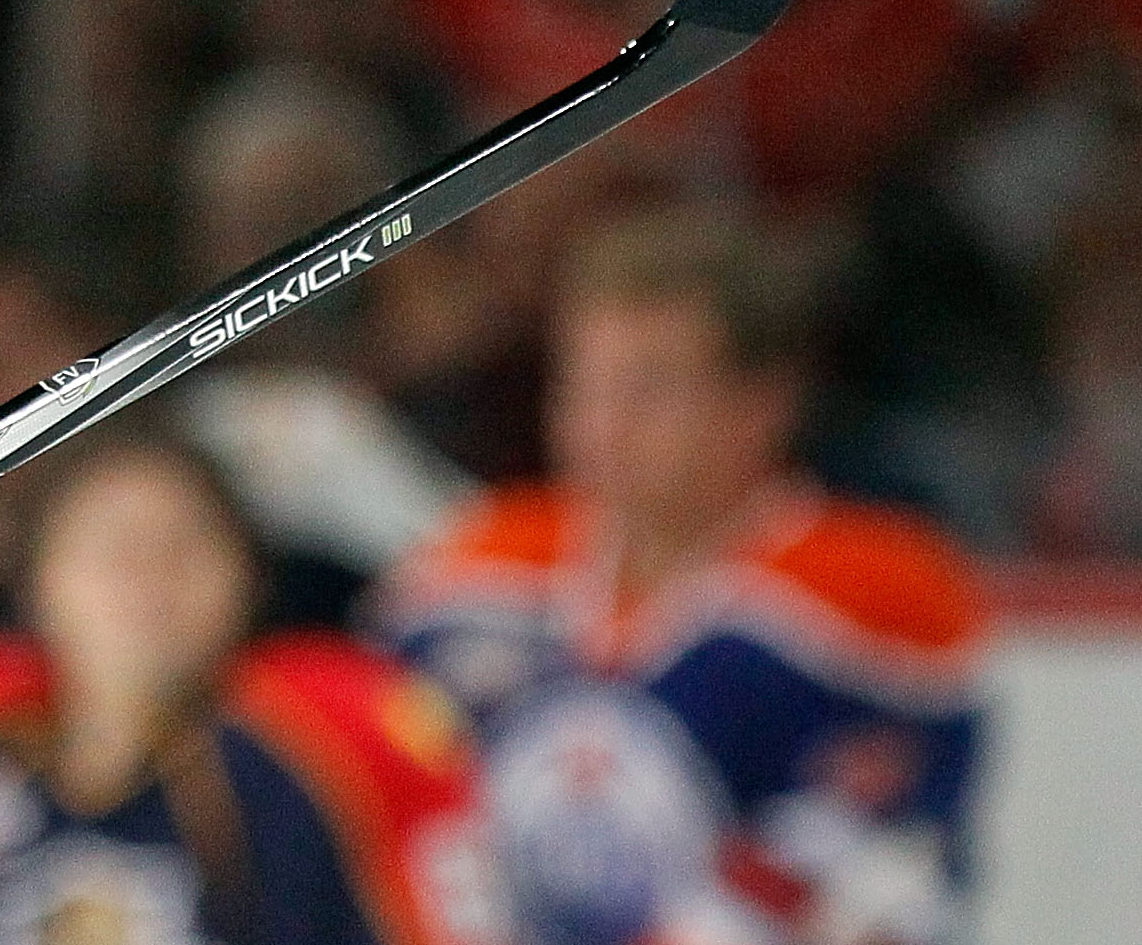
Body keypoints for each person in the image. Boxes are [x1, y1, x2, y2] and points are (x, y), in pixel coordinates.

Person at [377, 208, 986, 945]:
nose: (603, 425)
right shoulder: (475, 563)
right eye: (582, 385)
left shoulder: (876, 591)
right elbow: (386, 806)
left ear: (761, 404)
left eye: (648, 388)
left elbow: (883, 882)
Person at [0, 429, 493, 945]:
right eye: (110, 546)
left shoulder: (311, 764)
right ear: (37, 583)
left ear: (247, 580)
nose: (146, 576)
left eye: (183, 543)